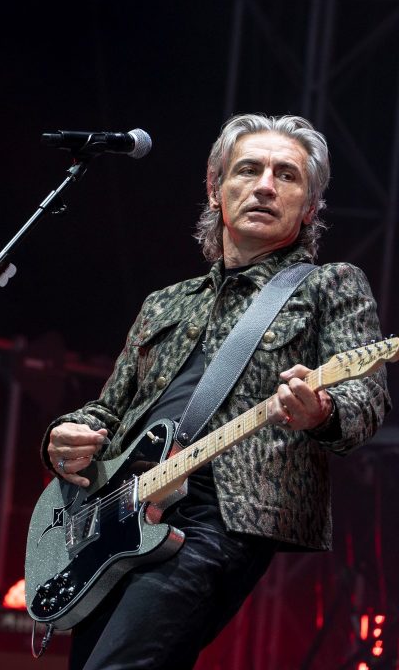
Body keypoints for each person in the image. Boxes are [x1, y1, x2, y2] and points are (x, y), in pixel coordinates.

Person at [40, 114, 391, 669]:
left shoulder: (331, 286)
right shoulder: (165, 302)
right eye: (248, 170)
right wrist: (64, 437)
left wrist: (318, 410)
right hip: (119, 512)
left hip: (222, 514)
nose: (266, 186)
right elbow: (107, 408)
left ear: (311, 204)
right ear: (214, 187)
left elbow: (366, 405)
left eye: (287, 176)